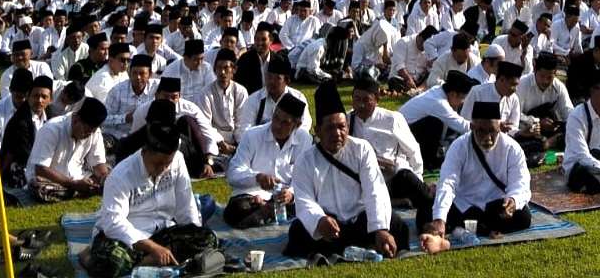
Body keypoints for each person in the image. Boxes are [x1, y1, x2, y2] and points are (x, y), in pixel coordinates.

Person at [285, 82, 408, 260]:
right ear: (317, 131)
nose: (337, 133)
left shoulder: (361, 149)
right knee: (298, 231)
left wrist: (379, 228)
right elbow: (304, 200)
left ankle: (368, 242)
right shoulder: (305, 160)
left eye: (342, 126)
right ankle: (359, 246)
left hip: (361, 220)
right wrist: (319, 220)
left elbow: (375, 190)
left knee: (395, 224)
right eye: (330, 128)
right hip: (329, 225)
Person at [87, 121, 210, 278]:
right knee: (112, 263)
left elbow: (186, 204)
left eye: (167, 164)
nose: (163, 169)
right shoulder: (121, 175)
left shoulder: (178, 160)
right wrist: (152, 248)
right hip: (128, 238)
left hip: (163, 231)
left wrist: (193, 232)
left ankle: (144, 263)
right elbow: (113, 223)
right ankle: (148, 260)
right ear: (145, 151)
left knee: (207, 239)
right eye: (158, 164)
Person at [426, 99, 532, 239]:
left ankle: (468, 227)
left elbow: (521, 182)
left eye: (492, 131)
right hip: (464, 203)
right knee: (427, 212)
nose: (487, 138)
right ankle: (481, 228)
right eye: (481, 131)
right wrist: (440, 219)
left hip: (495, 205)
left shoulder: (512, 148)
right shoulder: (459, 147)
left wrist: (513, 200)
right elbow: (447, 183)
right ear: (473, 127)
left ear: (499, 127)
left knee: (523, 216)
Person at [348, 73, 432, 228]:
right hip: (362, 181)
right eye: (357, 99)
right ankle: (393, 202)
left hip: (393, 178)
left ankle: (427, 227)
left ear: (377, 100)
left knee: (420, 190)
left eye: (366, 100)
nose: (360, 105)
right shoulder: (347, 121)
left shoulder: (392, 119)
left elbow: (413, 150)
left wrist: (418, 179)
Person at [224, 92, 311, 228]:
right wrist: (257, 177)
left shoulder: (304, 139)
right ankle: (266, 211)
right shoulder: (252, 135)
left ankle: (267, 212)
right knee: (236, 209)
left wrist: (291, 194)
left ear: (297, 125)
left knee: (311, 206)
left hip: (285, 199)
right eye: (276, 118)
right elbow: (233, 173)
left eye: (285, 122)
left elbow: (306, 178)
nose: (277, 125)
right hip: (252, 196)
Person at [26, 96, 111, 202]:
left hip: (78, 176)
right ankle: (81, 190)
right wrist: (73, 184)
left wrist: (104, 177)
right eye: (86, 131)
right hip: (51, 179)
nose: (88, 135)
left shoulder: (94, 132)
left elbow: (98, 163)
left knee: (110, 172)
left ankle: (81, 189)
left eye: (91, 132)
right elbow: (41, 169)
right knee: (38, 187)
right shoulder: (51, 130)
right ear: (76, 120)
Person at [402, 68, 474, 166]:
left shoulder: (438, 90)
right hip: (403, 136)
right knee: (434, 123)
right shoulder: (439, 103)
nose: (463, 102)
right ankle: (428, 160)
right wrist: (484, 128)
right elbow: (461, 125)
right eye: (462, 98)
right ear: (453, 94)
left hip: (408, 130)